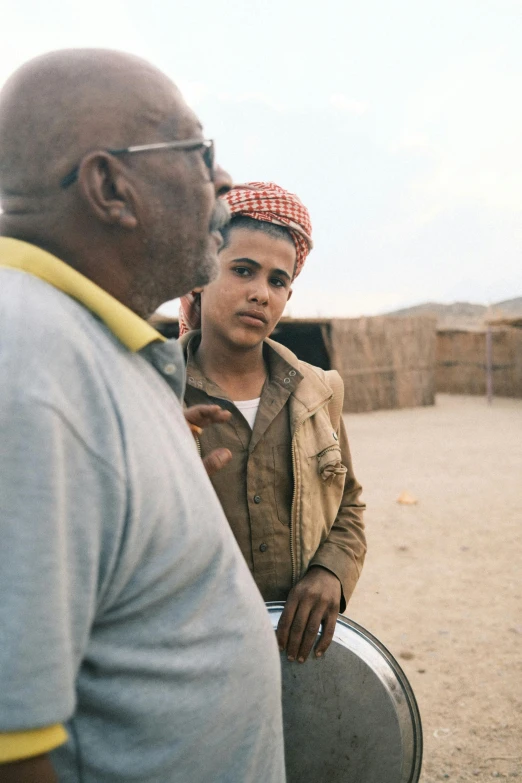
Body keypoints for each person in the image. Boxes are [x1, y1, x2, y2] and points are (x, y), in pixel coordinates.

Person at [0, 52, 286, 783]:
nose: (223, 182)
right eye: (199, 153)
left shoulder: (90, 347)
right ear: (109, 187)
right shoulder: (30, 370)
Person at [178, 182, 366, 666]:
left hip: (297, 652)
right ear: (200, 273)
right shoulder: (152, 391)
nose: (260, 294)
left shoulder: (319, 391)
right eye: (243, 270)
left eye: (278, 281)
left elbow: (348, 501)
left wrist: (332, 573)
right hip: (189, 652)